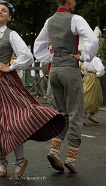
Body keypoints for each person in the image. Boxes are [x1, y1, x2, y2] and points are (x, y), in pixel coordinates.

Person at [0, 1, 65, 178]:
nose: (0, 12)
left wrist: (10, 67)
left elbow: (27, 56)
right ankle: (2, 163)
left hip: (4, 84)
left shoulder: (10, 35)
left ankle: (20, 161)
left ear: (9, 17)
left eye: (4, 11)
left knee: (12, 123)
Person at [33, 0, 99, 173]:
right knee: (76, 113)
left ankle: (54, 150)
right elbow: (92, 40)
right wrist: (83, 56)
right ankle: (71, 159)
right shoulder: (75, 19)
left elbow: (37, 48)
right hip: (70, 69)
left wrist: (52, 59)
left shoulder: (49, 21)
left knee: (62, 114)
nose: (76, 2)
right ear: (69, 1)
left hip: (54, 71)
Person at [80, 56, 105, 126]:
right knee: (88, 97)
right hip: (92, 79)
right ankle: (84, 116)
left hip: (87, 78)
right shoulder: (95, 59)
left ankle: (89, 115)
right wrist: (98, 74)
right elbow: (101, 70)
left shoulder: (86, 59)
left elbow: (82, 69)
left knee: (93, 97)